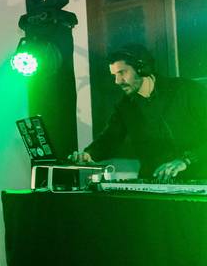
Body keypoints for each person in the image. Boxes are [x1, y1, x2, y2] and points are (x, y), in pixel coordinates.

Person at [69, 44, 207, 181]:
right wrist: (88, 154)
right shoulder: (125, 107)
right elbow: (109, 138)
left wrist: (186, 160)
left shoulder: (186, 90)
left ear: (142, 69)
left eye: (122, 73)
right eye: (114, 75)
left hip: (198, 179)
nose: (117, 81)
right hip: (153, 182)